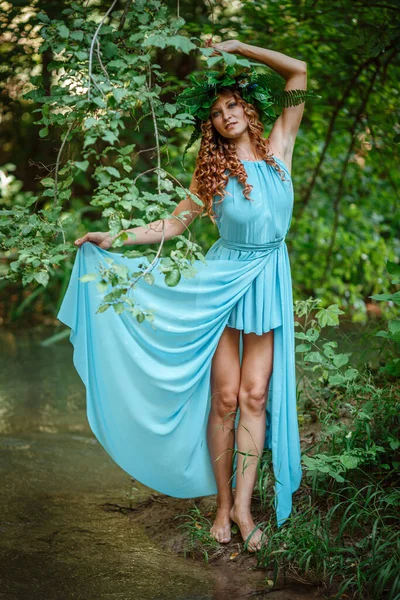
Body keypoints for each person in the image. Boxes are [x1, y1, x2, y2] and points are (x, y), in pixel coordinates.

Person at [62, 40, 307, 553]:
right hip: (220, 284)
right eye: (217, 113)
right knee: (223, 399)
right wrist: (115, 237)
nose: (226, 115)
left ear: (248, 108)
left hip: (267, 277)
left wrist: (239, 47)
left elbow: (299, 71)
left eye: (232, 105)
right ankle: (221, 503)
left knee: (254, 397)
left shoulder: (281, 147)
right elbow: (173, 223)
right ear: (211, 125)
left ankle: (243, 509)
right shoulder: (210, 175)